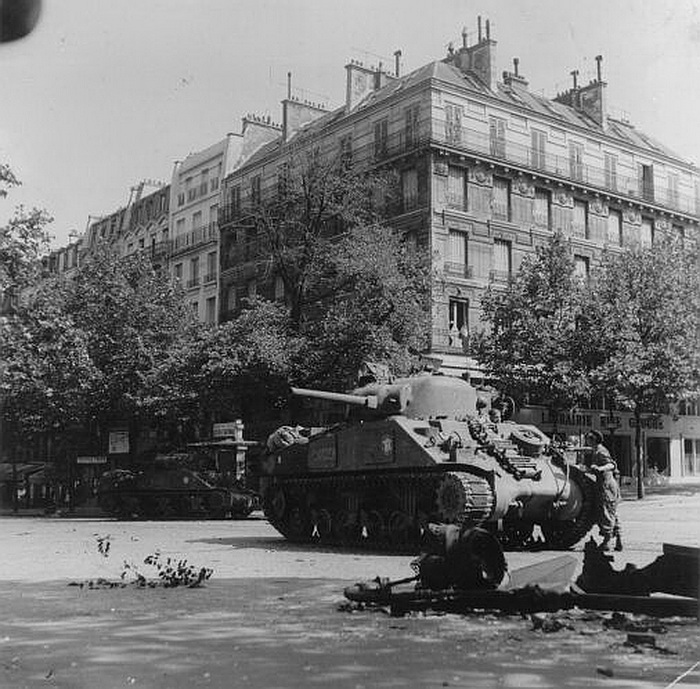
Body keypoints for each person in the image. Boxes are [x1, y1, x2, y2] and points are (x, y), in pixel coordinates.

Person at [585, 430, 622, 552]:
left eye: (589, 438)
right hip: (605, 485)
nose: (587, 440)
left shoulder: (601, 451)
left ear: (594, 439)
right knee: (612, 512)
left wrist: (600, 468)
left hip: (606, 486)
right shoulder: (596, 451)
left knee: (606, 512)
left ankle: (607, 542)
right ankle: (618, 540)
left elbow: (611, 465)